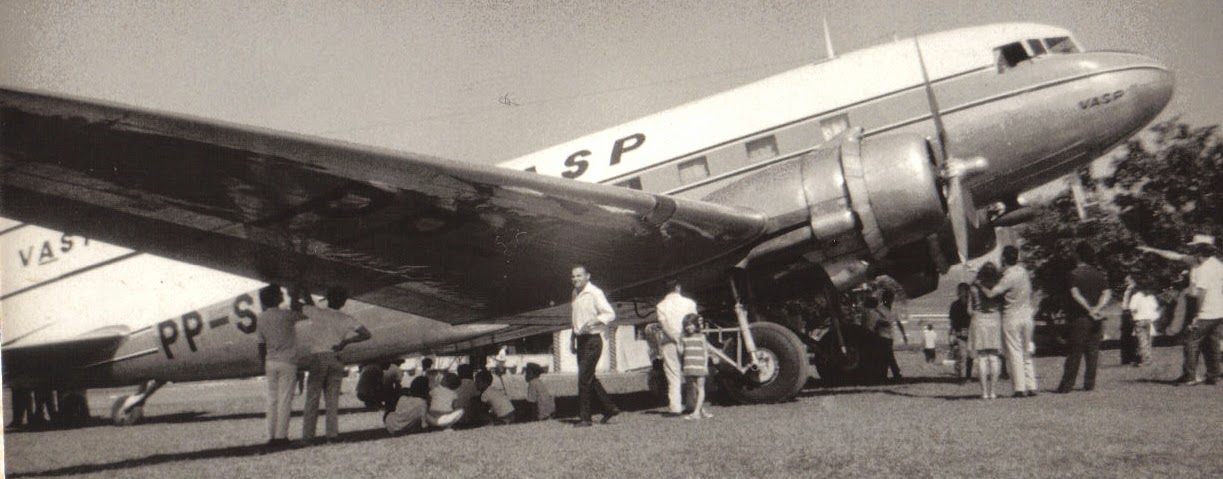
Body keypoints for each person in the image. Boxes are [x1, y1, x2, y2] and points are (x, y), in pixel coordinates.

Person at [1140, 234, 1223, 385]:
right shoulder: (1210, 263)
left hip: (1205, 312)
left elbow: (1201, 294)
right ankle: (1213, 375)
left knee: (1191, 342)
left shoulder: (1204, 269)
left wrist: (1196, 316)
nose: (1191, 251)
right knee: (1212, 344)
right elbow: (1175, 256)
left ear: (1200, 250)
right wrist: (1152, 250)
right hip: (1218, 312)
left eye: (1194, 248)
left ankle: (1190, 376)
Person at [299, 286, 373, 444]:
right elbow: (366, 334)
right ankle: (332, 435)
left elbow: (305, 303)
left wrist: (302, 284)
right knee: (332, 400)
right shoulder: (346, 318)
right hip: (336, 357)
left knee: (312, 398)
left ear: (327, 298)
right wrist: (345, 342)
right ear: (344, 302)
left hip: (319, 357)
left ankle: (307, 437)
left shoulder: (317, 313)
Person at [982, 245, 1039, 398]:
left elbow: (991, 293)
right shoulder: (1023, 272)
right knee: (1026, 350)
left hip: (1012, 316)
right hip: (1027, 314)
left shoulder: (1007, 277)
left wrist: (979, 283)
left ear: (1004, 258)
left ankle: (1019, 388)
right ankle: (1031, 385)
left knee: (1014, 351)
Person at [255, 284, 307, 447]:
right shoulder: (286, 315)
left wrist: (265, 363)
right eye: (280, 295)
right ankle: (281, 437)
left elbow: (261, 344)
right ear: (276, 298)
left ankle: (271, 436)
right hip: (287, 362)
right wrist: (296, 293)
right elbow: (304, 312)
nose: (282, 296)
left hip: (271, 362)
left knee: (272, 400)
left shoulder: (261, 318)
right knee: (285, 400)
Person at [1056, 243, 1112, 393]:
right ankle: (1089, 383)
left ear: (1078, 256)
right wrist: (1098, 308)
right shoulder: (1099, 274)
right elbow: (1107, 294)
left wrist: (1088, 309)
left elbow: (1075, 294)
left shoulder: (1074, 274)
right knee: (1093, 352)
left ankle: (1067, 385)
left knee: (1075, 352)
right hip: (1097, 318)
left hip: (1080, 318)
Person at [568, 265, 620, 427]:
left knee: (583, 379)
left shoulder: (595, 293)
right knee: (589, 378)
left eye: (579, 276)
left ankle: (585, 418)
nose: (576, 279)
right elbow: (575, 318)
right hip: (581, 340)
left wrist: (592, 321)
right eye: (573, 276)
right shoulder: (575, 293)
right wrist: (572, 338)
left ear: (587, 276)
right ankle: (609, 408)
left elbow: (610, 314)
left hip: (593, 341)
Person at [654, 279, 697, 416]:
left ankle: (675, 407)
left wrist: (674, 337)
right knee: (690, 373)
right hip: (688, 340)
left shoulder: (661, 306)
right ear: (678, 287)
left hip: (670, 342)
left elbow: (664, 326)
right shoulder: (690, 303)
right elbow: (694, 321)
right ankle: (692, 404)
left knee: (673, 375)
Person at [968, 263, 1004, 399]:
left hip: (979, 320)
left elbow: (969, 310)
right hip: (995, 320)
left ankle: (983, 392)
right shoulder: (998, 286)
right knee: (994, 357)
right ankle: (993, 391)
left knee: (982, 358)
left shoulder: (973, 287)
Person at [681, 313, 716, 420]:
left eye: (691, 324)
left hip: (699, 365)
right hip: (689, 365)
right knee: (693, 390)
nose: (689, 327)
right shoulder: (683, 338)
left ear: (696, 324)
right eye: (687, 325)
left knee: (700, 388)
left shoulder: (701, 337)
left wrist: (705, 365)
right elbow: (681, 352)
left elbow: (705, 352)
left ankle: (696, 413)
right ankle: (702, 411)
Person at [1124, 275, 1161, 367]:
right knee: (1147, 340)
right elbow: (1155, 307)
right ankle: (1144, 358)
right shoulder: (1150, 297)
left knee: (1141, 341)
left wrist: (1133, 316)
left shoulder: (1136, 296)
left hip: (1139, 320)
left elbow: (1132, 308)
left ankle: (1145, 360)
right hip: (1148, 320)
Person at [878, 289, 909, 380]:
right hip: (881, 335)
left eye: (891, 298)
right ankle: (896, 373)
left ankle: (884, 375)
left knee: (886, 355)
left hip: (890, 336)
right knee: (888, 355)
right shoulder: (879, 309)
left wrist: (904, 335)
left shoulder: (894, 311)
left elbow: (899, 323)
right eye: (888, 298)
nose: (890, 300)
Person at [949, 283, 974, 383]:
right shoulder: (970, 305)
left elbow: (952, 321)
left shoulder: (955, 305)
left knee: (966, 356)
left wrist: (952, 333)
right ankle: (965, 377)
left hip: (964, 332)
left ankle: (964, 376)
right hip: (965, 333)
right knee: (966, 356)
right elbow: (953, 321)